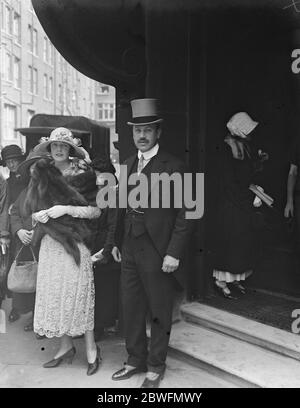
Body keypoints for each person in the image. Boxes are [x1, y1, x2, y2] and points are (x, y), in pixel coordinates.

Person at [111, 98, 191, 388]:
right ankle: (135, 360)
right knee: (130, 306)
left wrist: (174, 253)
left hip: (158, 249)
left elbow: (186, 214)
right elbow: (119, 207)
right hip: (130, 245)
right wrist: (115, 241)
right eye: (137, 131)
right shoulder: (128, 164)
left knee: (158, 309)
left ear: (158, 132)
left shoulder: (174, 166)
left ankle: (156, 367)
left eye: (147, 130)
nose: (141, 136)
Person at [25, 127, 101, 375]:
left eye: (63, 146)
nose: (58, 150)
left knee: (79, 297)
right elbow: (31, 208)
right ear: (49, 149)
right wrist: (39, 215)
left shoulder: (83, 174)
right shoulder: (41, 173)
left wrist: (66, 209)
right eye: (54, 146)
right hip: (51, 244)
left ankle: (91, 349)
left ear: (70, 150)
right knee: (57, 297)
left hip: (76, 244)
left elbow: (96, 211)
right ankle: (65, 347)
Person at [212, 112, 267, 299]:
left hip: (242, 204)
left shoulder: (246, 147)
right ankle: (221, 282)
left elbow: (246, 174)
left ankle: (235, 279)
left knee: (242, 245)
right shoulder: (226, 148)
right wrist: (249, 197)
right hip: (231, 206)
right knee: (231, 245)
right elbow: (228, 183)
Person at [0, 145, 32, 325]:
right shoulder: (8, 181)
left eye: (14, 160)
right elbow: (6, 206)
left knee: (30, 266)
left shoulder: (29, 179)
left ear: (21, 160)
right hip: (14, 227)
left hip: (27, 225)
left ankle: (32, 310)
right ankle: (16, 307)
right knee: (15, 264)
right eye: (8, 162)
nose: (11, 164)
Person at [90, 157, 121, 341]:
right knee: (99, 287)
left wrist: (106, 250)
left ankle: (102, 326)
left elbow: (113, 226)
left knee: (105, 287)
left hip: (106, 245)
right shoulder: (101, 192)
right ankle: (99, 325)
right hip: (97, 242)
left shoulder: (114, 195)